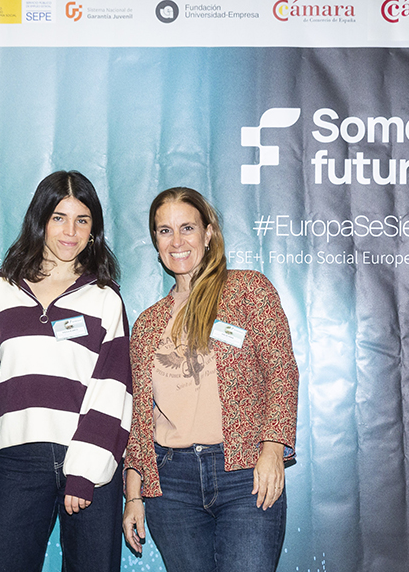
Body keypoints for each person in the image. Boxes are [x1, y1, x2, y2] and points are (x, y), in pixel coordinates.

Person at [122, 187, 299, 572]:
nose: (177, 241)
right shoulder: (148, 324)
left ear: (208, 233)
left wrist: (273, 450)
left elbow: (281, 371)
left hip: (244, 473)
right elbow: (139, 417)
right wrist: (134, 494)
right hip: (171, 484)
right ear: (156, 242)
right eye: (165, 231)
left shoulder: (249, 290)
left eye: (187, 228)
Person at [0, 170, 132, 572]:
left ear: (94, 230)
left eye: (82, 220)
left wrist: (84, 470)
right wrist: (19, 437)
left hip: (93, 465)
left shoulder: (105, 298)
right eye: (59, 217)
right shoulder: (0, 291)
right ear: (40, 220)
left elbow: (113, 388)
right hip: (21, 461)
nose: (70, 231)